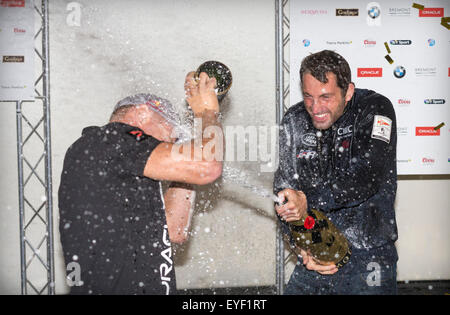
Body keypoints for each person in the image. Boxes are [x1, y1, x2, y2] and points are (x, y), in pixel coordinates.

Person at [59, 71, 223, 295]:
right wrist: (208, 112)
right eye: (171, 129)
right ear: (143, 113)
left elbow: (174, 230)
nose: (172, 139)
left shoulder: (122, 162)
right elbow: (208, 166)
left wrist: (187, 167)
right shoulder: (111, 138)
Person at [273, 50, 398, 294]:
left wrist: (308, 199)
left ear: (348, 91)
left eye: (325, 97)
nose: (315, 107)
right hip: (314, 255)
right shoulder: (294, 119)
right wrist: (301, 246)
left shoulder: (375, 109)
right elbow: (283, 190)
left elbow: (366, 176)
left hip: (368, 256)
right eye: (308, 96)